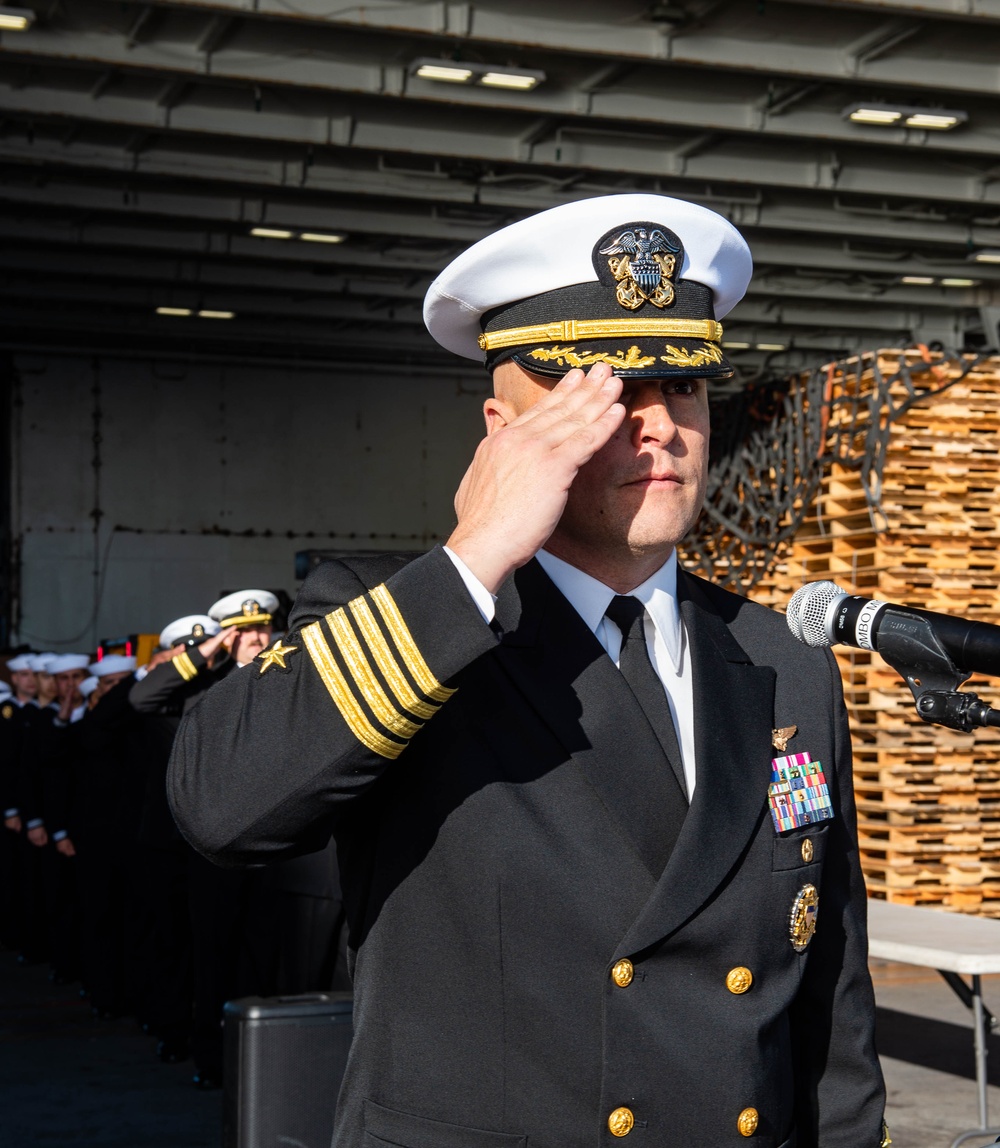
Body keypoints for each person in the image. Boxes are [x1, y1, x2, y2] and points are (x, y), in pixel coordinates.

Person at [168, 194, 887, 1147]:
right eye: (602, 391)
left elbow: (830, 1009)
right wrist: (472, 559)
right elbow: (220, 803)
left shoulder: (778, 655)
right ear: (502, 427)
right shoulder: (414, 621)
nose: (657, 423)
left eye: (682, 387)